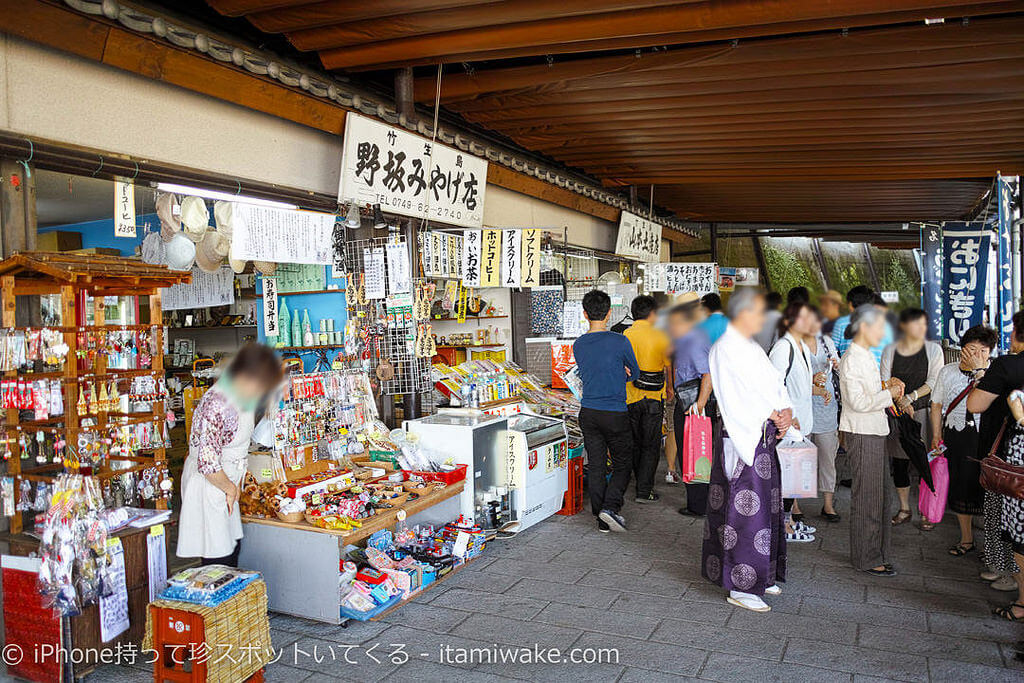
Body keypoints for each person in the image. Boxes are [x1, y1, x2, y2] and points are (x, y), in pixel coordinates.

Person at [703, 288, 793, 613]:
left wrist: (785, 411)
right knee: (744, 512)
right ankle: (741, 585)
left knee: (766, 511)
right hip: (745, 436)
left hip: (762, 434)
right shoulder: (725, 347)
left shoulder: (749, 346)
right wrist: (773, 413)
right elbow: (735, 395)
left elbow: (773, 384)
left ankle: (762, 574)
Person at [177, 344, 284, 566]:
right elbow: (207, 463)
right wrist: (230, 489)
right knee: (218, 555)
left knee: (231, 547)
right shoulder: (216, 404)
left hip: (226, 482)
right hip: (212, 483)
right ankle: (216, 598)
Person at [840, 305, 904, 576]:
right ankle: (866, 558)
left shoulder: (865, 355)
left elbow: (869, 392)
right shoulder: (852, 357)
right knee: (868, 498)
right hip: (863, 432)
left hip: (874, 431)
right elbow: (858, 401)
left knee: (880, 496)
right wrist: (888, 393)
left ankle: (877, 552)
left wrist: (886, 387)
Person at [967, 310, 1024, 611]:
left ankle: (1010, 577)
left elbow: (975, 404)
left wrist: (980, 373)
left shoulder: (1006, 366)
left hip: (1010, 456)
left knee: (1007, 519)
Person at [574, 289, 640, 533]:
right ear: (609, 312)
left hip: (588, 412)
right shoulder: (620, 340)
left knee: (598, 464)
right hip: (615, 412)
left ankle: (601, 517)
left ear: (584, 313)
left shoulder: (579, 344)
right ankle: (610, 507)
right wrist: (619, 374)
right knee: (623, 462)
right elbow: (636, 373)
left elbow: (590, 371)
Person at [929, 325, 996, 558]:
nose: (977, 355)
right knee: (960, 486)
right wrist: (936, 435)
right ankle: (966, 539)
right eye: (971, 349)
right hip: (957, 436)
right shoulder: (947, 371)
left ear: (990, 353)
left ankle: (994, 548)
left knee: (990, 491)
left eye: (983, 351)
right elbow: (936, 405)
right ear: (961, 350)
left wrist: (980, 372)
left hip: (988, 439)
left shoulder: (996, 373)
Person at [880, 308, 943, 528]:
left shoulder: (933, 350)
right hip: (897, 414)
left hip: (924, 411)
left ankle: (927, 511)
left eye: (923, 324)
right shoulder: (890, 349)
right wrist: (899, 404)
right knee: (899, 462)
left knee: (926, 462)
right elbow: (884, 380)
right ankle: (904, 508)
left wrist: (911, 398)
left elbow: (936, 381)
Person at [769, 301, 819, 542]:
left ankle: (788, 521)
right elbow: (773, 386)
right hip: (789, 426)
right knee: (786, 477)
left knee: (793, 478)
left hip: (801, 424)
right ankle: (783, 526)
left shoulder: (800, 347)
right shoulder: (783, 347)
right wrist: (788, 415)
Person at [624, 295, 672, 504]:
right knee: (651, 444)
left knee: (634, 441)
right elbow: (668, 365)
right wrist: (670, 387)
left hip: (630, 396)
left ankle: (637, 480)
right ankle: (645, 490)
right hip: (654, 396)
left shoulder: (626, 334)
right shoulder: (661, 335)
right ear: (652, 313)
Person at [670, 292, 715, 514]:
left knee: (694, 451)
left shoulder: (695, 339)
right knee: (696, 450)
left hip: (693, 404)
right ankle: (699, 502)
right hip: (692, 401)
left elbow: (707, 374)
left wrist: (699, 405)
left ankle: (698, 505)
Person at [807, 308, 841, 522]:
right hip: (803, 407)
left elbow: (837, 365)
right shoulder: (793, 344)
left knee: (828, 457)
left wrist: (837, 364)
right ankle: (795, 504)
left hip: (827, 406)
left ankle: (828, 504)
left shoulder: (826, 342)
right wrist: (811, 378)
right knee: (799, 456)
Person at [832, 285, 875, 356]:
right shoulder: (881, 323)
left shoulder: (841, 323)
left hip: (849, 365)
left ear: (850, 304)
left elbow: (832, 350)